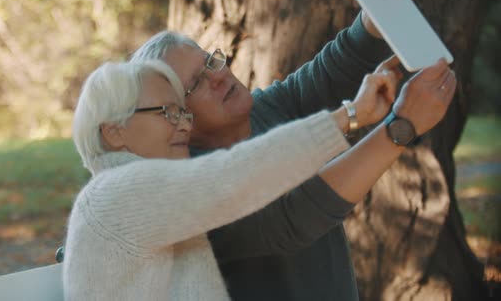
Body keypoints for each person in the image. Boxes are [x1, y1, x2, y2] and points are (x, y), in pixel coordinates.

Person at [129, 0, 456, 299]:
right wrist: (400, 128)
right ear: (174, 118)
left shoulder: (264, 110)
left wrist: (382, 1)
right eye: (195, 84)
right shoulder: (190, 191)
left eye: (210, 62)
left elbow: (335, 69)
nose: (217, 76)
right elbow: (291, 215)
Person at [62, 57, 409, 300]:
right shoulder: (113, 197)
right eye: (167, 113)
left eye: (182, 111)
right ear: (114, 131)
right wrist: (349, 115)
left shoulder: (155, 199)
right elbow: (235, 177)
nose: (184, 123)